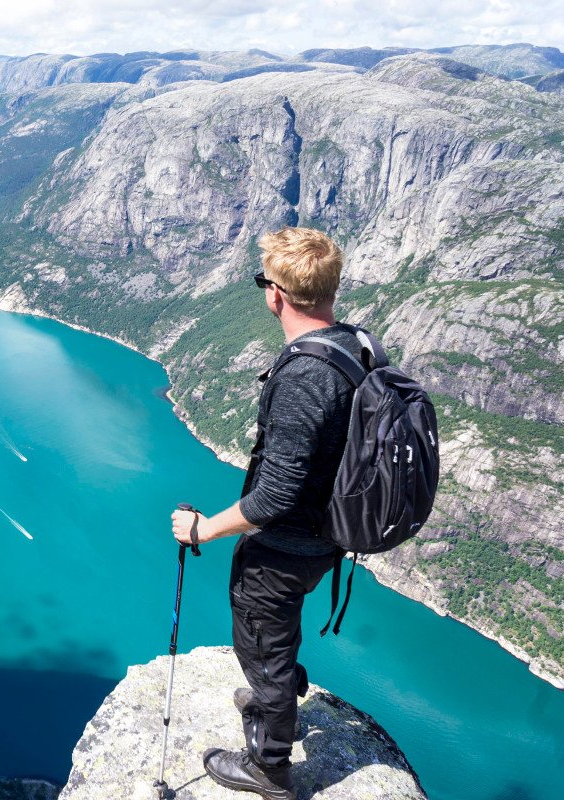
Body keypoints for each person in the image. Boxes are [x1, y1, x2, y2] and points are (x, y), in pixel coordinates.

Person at [171, 227, 365, 800]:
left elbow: (273, 498)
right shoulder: (353, 343)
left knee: (261, 638)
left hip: (290, 543)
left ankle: (270, 766)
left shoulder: (306, 376)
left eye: (264, 281)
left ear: (276, 294)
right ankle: (270, 693)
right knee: (275, 630)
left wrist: (202, 528)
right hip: (328, 534)